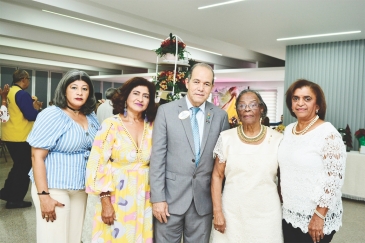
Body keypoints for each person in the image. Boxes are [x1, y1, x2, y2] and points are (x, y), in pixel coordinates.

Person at [150, 63, 230, 243]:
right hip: (169, 200)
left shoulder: (220, 116)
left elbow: (221, 163)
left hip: (202, 202)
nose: (201, 88)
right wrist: (158, 199)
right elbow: (157, 158)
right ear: (187, 82)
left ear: (211, 87)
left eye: (206, 84)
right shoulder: (166, 111)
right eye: (196, 82)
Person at [27, 69, 99, 243]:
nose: (80, 92)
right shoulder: (52, 114)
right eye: (74, 87)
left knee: (74, 238)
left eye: (85, 88)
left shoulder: (91, 116)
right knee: (54, 238)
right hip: (53, 187)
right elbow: (36, 157)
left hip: (80, 188)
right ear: (64, 90)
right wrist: (43, 196)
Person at [85, 77, 157, 243]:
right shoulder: (111, 125)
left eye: (146, 96)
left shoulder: (152, 126)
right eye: (136, 93)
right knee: (115, 236)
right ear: (125, 96)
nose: (140, 99)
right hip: (117, 192)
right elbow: (97, 163)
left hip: (145, 194)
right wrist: (105, 201)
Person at [278, 79, 346, 243]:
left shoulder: (328, 133)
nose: (300, 103)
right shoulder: (288, 130)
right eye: (296, 98)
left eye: (307, 99)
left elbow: (334, 179)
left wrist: (319, 215)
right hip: (290, 212)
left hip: (315, 216)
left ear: (318, 105)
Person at [211, 89, 283, 243]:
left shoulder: (277, 139)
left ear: (262, 109)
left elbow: (284, 179)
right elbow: (217, 176)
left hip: (267, 214)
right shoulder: (226, 138)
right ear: (237, 110)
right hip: (232, 212)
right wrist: (217, 212)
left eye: (252, 105)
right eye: (242, 105)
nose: (247, 109)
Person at [0, 69, 42, 209]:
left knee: (18, 166)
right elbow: (30, 115)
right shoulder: (22, 94)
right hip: (21, 136)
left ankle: (7, 192)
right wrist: (36, 108)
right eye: (28, 79)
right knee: (24, 169)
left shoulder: (9, 92)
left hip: (8, 135)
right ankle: (15, 199)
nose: (28, 81)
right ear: (23, 79)